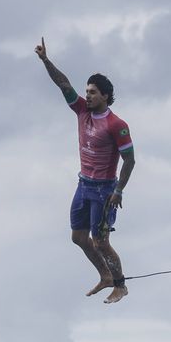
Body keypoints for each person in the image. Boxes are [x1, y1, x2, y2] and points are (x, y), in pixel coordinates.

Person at [35, 37, 135, 304]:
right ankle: (105, 275)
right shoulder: (82, 111)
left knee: (100, 241)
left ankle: (120, 285)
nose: (87, 95)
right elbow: (64, 84)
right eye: (87, 91)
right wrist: (46, 60)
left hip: (104, 190)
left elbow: (130, 160)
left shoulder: (116, 124)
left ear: (104, 96)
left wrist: (119, 190)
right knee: (78, 237)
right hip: (83, 185)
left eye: (92, 92)